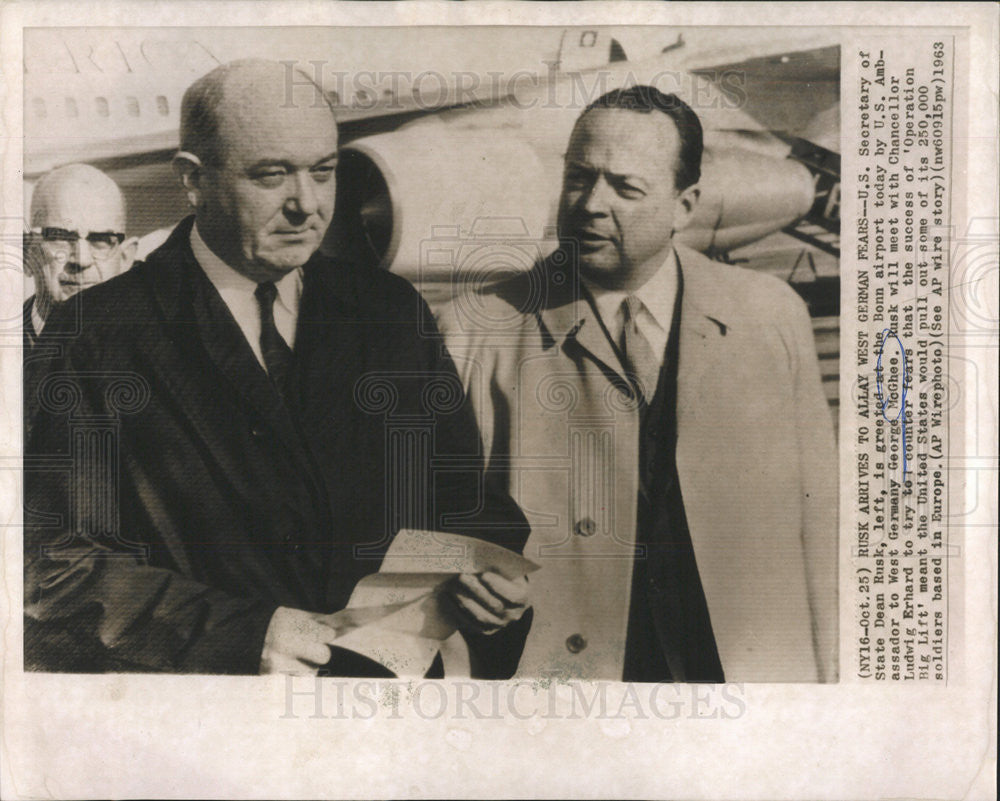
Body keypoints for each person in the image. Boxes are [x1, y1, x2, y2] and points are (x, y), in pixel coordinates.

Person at [24, 59, 530, 676]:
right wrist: (241, 636)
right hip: (208, 724)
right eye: (272, 176)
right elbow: (54, 564)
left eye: (324, 172)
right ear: (192, 180)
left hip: (381, 722)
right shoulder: (93, 338)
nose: (307, 205)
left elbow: (463, 501)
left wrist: (490, 584)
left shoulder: (390, 312)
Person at [439, 86, 837, 683]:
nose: (591, 203)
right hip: (567, 697)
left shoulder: (771, 314)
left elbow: (821, 520)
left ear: (685, 205)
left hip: (744, 689)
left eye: (625, 187)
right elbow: (421, 527)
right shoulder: (473, 330)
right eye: (579, 177)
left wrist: (834, 689)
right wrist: (460, 577)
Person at [22, 163, 137, 349]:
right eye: (60, 237)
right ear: (28, 253)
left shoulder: (159, 354)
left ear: (126, 259)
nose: (82, 260)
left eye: (100, 240)